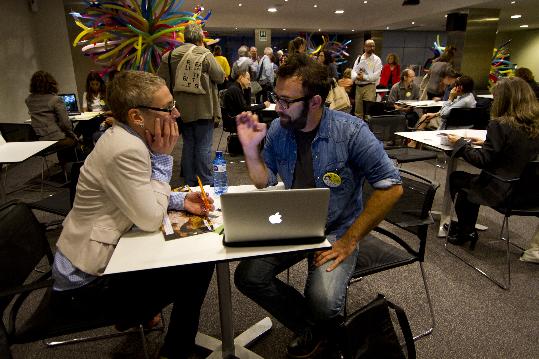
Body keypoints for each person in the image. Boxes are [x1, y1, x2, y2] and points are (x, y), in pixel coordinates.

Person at [233, 54, 403, 358]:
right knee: (248, 277)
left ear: (314, 102)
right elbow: (264, 181)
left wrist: (351, 240)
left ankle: (319, 330)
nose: (277, 107)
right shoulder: (279, 129)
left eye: (285, 100)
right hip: (295, 222)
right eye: (276, 97)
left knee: (323, 299)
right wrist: (249, 149)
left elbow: (391, 188)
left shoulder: (351, 132)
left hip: (338, 230)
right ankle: (317, 330)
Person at [51, 70, 216, 359]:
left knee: (185, 254)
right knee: (198, 266)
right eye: (167, 108)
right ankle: (174, 350)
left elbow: (135, 194)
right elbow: (150, 218)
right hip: (86, 284)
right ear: (137, 117)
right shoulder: (125, 149)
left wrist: (178, 199)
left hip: (90, 256)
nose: (176, 113)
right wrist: (165, 158)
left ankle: (136, 315)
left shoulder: (124, 136)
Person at [446, 77, 539, 249]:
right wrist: (487, 143)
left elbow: (482, 160)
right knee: (469, 183)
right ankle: (466, 228)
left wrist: (460, 143)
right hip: (530, 193)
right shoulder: (534, 125)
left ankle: (466, 230)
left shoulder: (500, 125)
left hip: (503, 190)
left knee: (458, 179)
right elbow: (516, 150)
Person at [157, 22, 225, 186]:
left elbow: (160, 81)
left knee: (188, 143)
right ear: (201, 37)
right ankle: (206, 180)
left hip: (180, 110)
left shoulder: (170, 55)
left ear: (184, 37)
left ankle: (189, 180)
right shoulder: (205, 54)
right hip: (204, 108)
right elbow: (220, 77)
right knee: (203, 146)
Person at [25, 70, 78, 165]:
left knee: (65, 138)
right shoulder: (55, 100)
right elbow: (65, 124)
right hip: (54, 140)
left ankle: (64, 166)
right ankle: (70, 169)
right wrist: (72, 134)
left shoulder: (29, 100)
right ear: (51, 83)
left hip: (38, 141)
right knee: (73, 141)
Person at [351, 39, 382, 119]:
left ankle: (368, 129)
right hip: (358, 87)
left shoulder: (376, 60)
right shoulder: (359, 59)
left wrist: (364, 77)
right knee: (358, 112)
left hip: (369, 87)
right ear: (364, 47)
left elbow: (376, 76)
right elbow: (353, 71)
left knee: (368, 112)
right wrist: (357, 76)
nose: (372, 48)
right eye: (369, 46)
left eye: (373, 46)